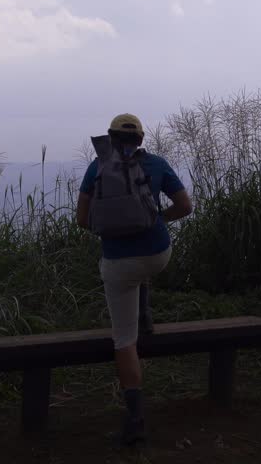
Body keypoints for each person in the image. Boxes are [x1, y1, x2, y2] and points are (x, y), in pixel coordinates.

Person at [76, 113, 193, 445]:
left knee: (124, 340)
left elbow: (82, 220)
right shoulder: (156, 164)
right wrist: (156, 221)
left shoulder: (96, 167)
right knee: (143, 271)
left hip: (118, 263)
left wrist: (112, 229)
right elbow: (185, 206)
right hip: (158, 255)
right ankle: (145, 313)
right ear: (141, 140)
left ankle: (136, 420)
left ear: (110, 140)